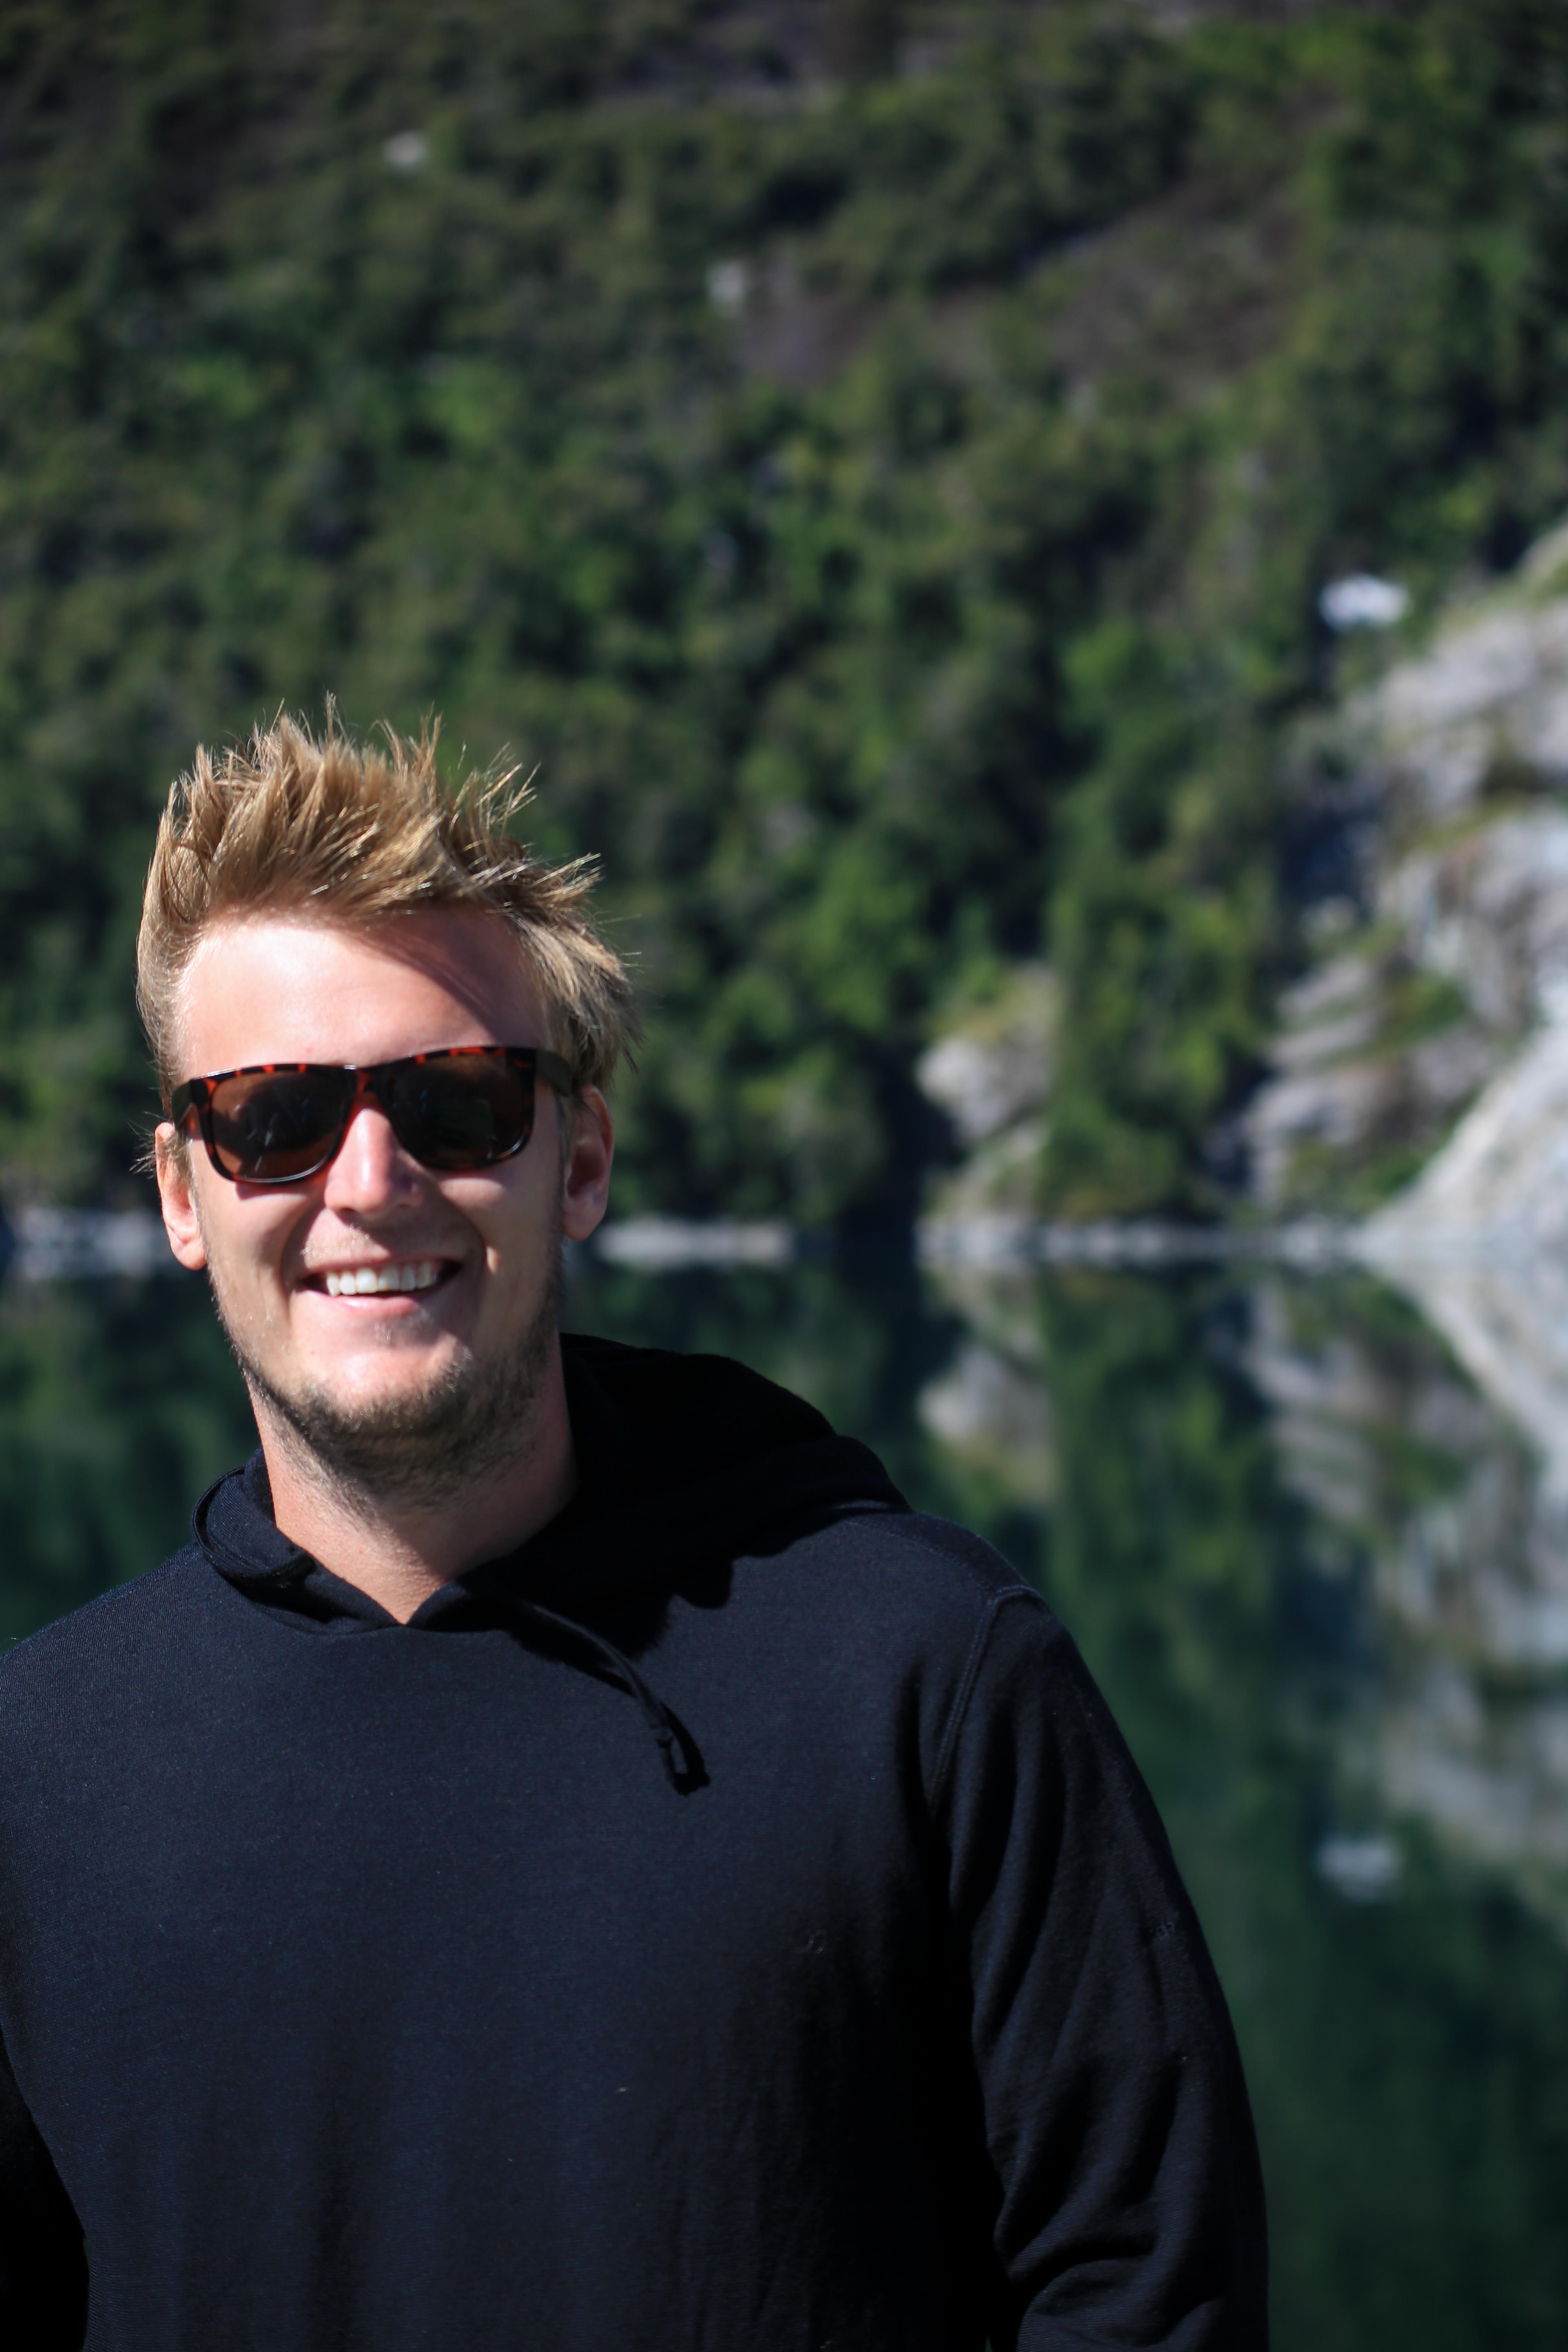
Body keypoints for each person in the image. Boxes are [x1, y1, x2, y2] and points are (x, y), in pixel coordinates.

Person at [0, 716, 1268, 2350]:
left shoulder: (927, 1679)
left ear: (579, 1160)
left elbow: (1150, 2295)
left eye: (459, 1104)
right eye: (272, 1117)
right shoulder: (37, 1771)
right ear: (185, 1194)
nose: (369, 1182)